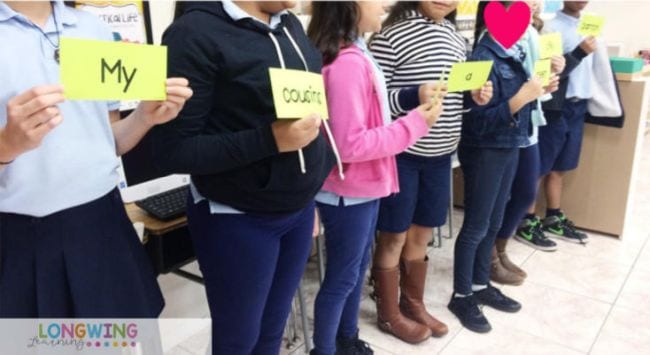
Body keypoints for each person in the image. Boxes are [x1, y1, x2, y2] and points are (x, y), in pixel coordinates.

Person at [150, 1, 335, 353]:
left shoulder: (290, 24)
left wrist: (308, 186)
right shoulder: (193, 33)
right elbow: (175, 150)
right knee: (238, 341)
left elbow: (306, 114)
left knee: (272, 331)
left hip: (295, 210)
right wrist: (271, 139)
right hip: (236, 218)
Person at [0, 0, 192, 317]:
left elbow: (110, 141)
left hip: (104, 219)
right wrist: (7, 145)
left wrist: (145, 116)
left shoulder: (93, 29)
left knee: (113, 342)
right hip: (19, 238)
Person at [307, 2, 445, 353]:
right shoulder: (347, 63)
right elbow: (349, 143)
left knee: (352, 272)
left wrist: (412, 106)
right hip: (347, 191)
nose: (384, 3)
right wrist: (415, 124)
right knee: (342, 278)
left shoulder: (355, 53)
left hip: (359, 189)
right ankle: (325, 348)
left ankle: (347, 338)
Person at [368, 0, 493, 342]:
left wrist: (474, 97)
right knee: (394, 234)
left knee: (423, 233)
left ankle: (413, 303)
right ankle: (389, 311)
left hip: (440, 154)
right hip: (402, 154)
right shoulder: (389, 35)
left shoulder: (455, 36)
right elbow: (374, 101)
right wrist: (414, 95)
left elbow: (454, 97)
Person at [449, 1, 553, 334]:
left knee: (493, 221)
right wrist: (522, 97)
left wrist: (538, 92)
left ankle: (480, 285)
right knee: (476, 225)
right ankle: (462, 293)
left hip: (510, 144)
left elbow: (518, 102)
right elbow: (475, 123)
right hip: (485, 150)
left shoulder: (513, 53)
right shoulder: (482, 56)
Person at [491, 0, 564, 286]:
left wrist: (551, 76)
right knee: (497, 200)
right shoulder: (494, 34)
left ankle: (499, 249)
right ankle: (488, 257)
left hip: (528, 125)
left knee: (523, 193)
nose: (533, 2)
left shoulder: (533, 32)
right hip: (505, 125)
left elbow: (537, 79)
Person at [531, 0, 597, 244]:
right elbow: (548, 72)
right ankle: (528, 220)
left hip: (579, 106)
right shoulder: (551, 28)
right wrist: (580, 51)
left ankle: (553, 216)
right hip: (556, 106)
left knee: (561, 166)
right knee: (541, 166)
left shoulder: (591, 26)